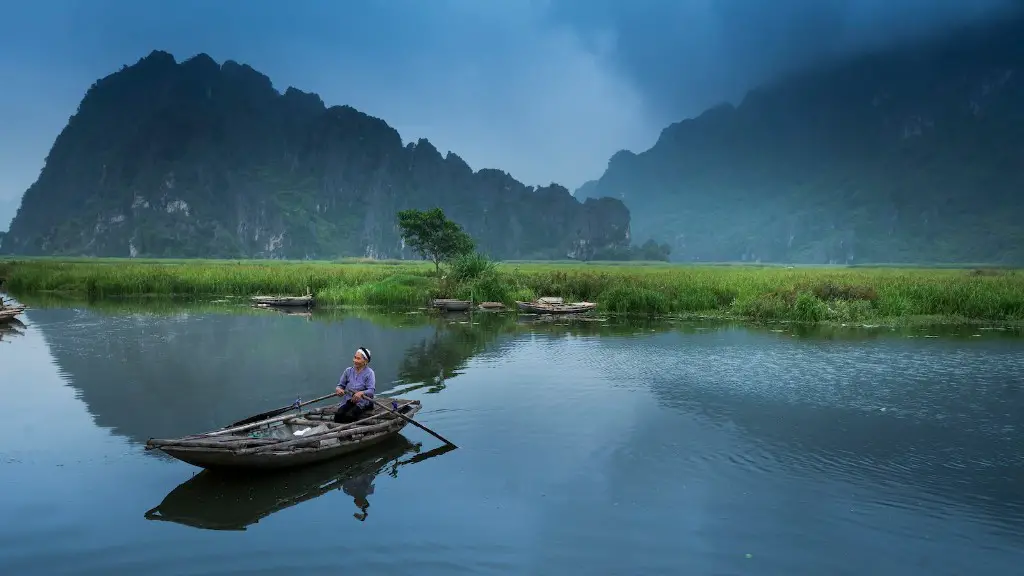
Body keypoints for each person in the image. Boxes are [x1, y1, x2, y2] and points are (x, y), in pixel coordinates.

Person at [334, 346, 376, 423]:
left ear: (365, 361)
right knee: (338, 415)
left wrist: (361, 393)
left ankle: (350, 433)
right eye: (355, 357)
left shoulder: (370, 373)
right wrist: (339, 389)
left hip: (364, 402)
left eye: (358, 358)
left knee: (350, 416)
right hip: (350, 401)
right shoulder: (348, 371)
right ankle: (341, 433)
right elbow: (340, 385)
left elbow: (371, 391)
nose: (355, 360)